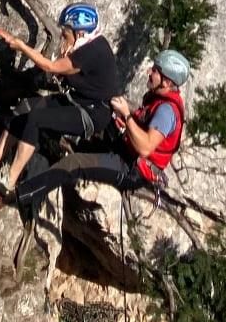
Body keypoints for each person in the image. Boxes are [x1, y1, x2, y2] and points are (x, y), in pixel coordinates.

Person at [10, 48, 190, 212]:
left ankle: (19, 196)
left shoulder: (166, 112)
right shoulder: (158, 99)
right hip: (126, 150)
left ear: (166, 82)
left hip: (131, 168)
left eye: (155, 71)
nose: (150, 72)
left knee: (73, 164)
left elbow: (145, 148)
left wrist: (127, 117)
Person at [0, 3, 123, 200]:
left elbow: (50, 66)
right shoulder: (86, 44)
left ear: (80, 33)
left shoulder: (91, 51)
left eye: (65, 33)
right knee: (25, 108)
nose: (62, 37)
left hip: (91, 114)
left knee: (35, 120)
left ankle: (9, 182)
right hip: (78, 102)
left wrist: (22, 46)